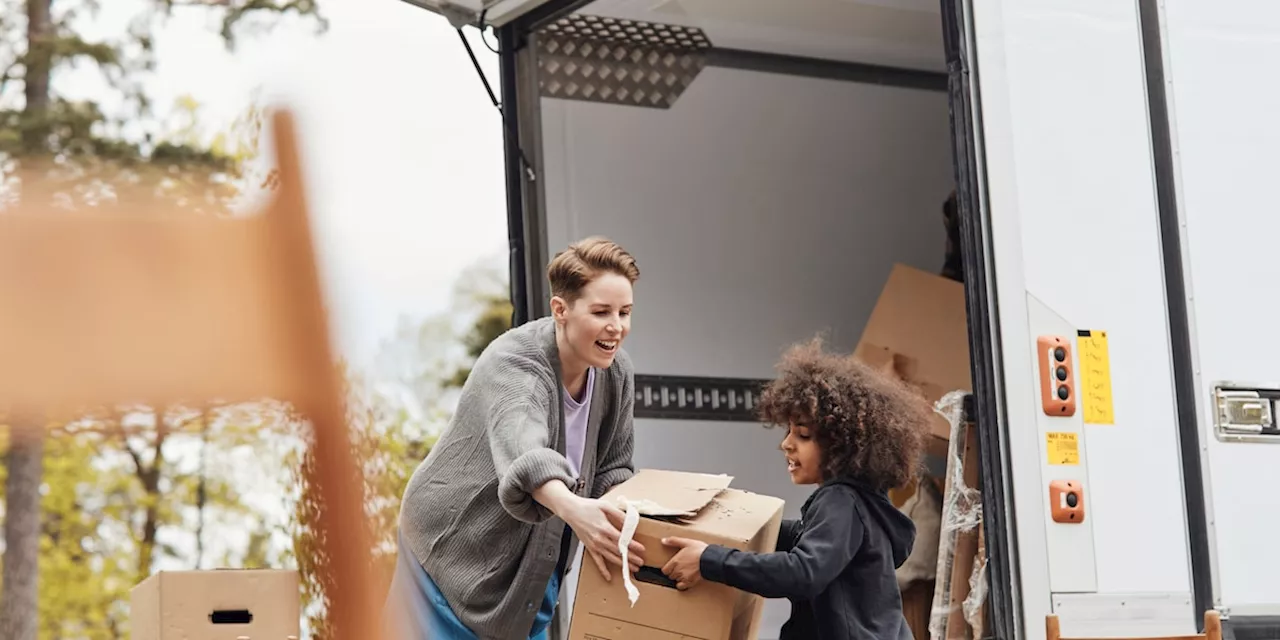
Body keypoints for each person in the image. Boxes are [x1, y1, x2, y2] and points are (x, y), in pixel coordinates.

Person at [384, 236, 647, 640]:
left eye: (625, 312)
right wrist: (577, 511)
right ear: (560, 309)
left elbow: (614, 467)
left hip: (530, 559)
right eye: (601, 312)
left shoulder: (615, 372)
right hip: (451, 552)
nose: (617, 327)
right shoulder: (515, 362)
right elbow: (527, 455)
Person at [660, 337, 930, 640]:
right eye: (789, 431)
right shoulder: (865, 503)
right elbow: (806, 537)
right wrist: (735, 521)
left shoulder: (840, 500)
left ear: (842, 444)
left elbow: (803, 572)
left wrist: (710, 559)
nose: (786, 444)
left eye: (802, 435)